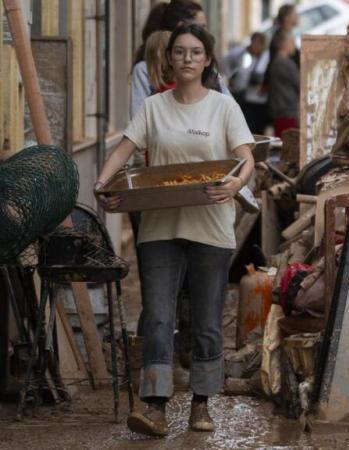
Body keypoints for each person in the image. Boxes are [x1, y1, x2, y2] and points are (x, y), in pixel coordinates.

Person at [95, 24, 255, 436]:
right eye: (180, 52)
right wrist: (102, 185)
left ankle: (202, 404)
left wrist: (237, 183)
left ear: (207, 60)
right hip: (159, 229)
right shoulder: (154, 107)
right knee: (159, 318)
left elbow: (245, 158)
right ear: (169, 59)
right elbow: (125, 150)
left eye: (195, 52)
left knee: (206, 320)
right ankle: (155, 406)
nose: (187, 58)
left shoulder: (223, 108)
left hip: (212, 228)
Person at [229, 32, 270, 134]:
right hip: (247, 98)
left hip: (261, 100)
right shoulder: (245, 55)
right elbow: (235, 68)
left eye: (258, 43)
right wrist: (232, 78)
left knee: (259, 129)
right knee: (248, 128)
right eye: (253, 43)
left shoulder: (266, 57)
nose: (255, 46)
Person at [268, 31, 300, 137]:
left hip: (278, 109)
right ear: (284, 44)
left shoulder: (275, 61)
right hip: (287, 110)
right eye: (292, 42)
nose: (293, 46)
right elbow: (299, 85)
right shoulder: (287, 63)